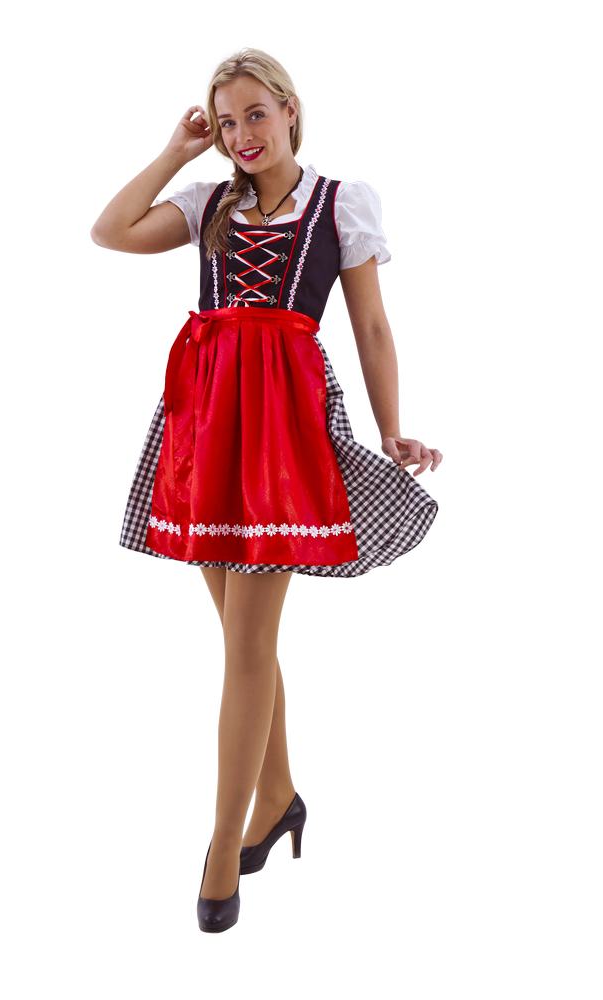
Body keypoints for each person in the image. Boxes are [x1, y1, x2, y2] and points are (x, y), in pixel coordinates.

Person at [90, 47, 443, 933]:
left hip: (282, 430)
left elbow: (369, 324)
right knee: (240, 637)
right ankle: (278, 794)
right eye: (226, 121)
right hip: (205, 423)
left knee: (247, 644)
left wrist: (391, 426)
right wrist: (175, 151)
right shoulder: (207, 202)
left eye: (255, 113)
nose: (242, 134)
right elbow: (110, 229)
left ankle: (222, 845)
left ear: (289, 109)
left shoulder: (339, 203)